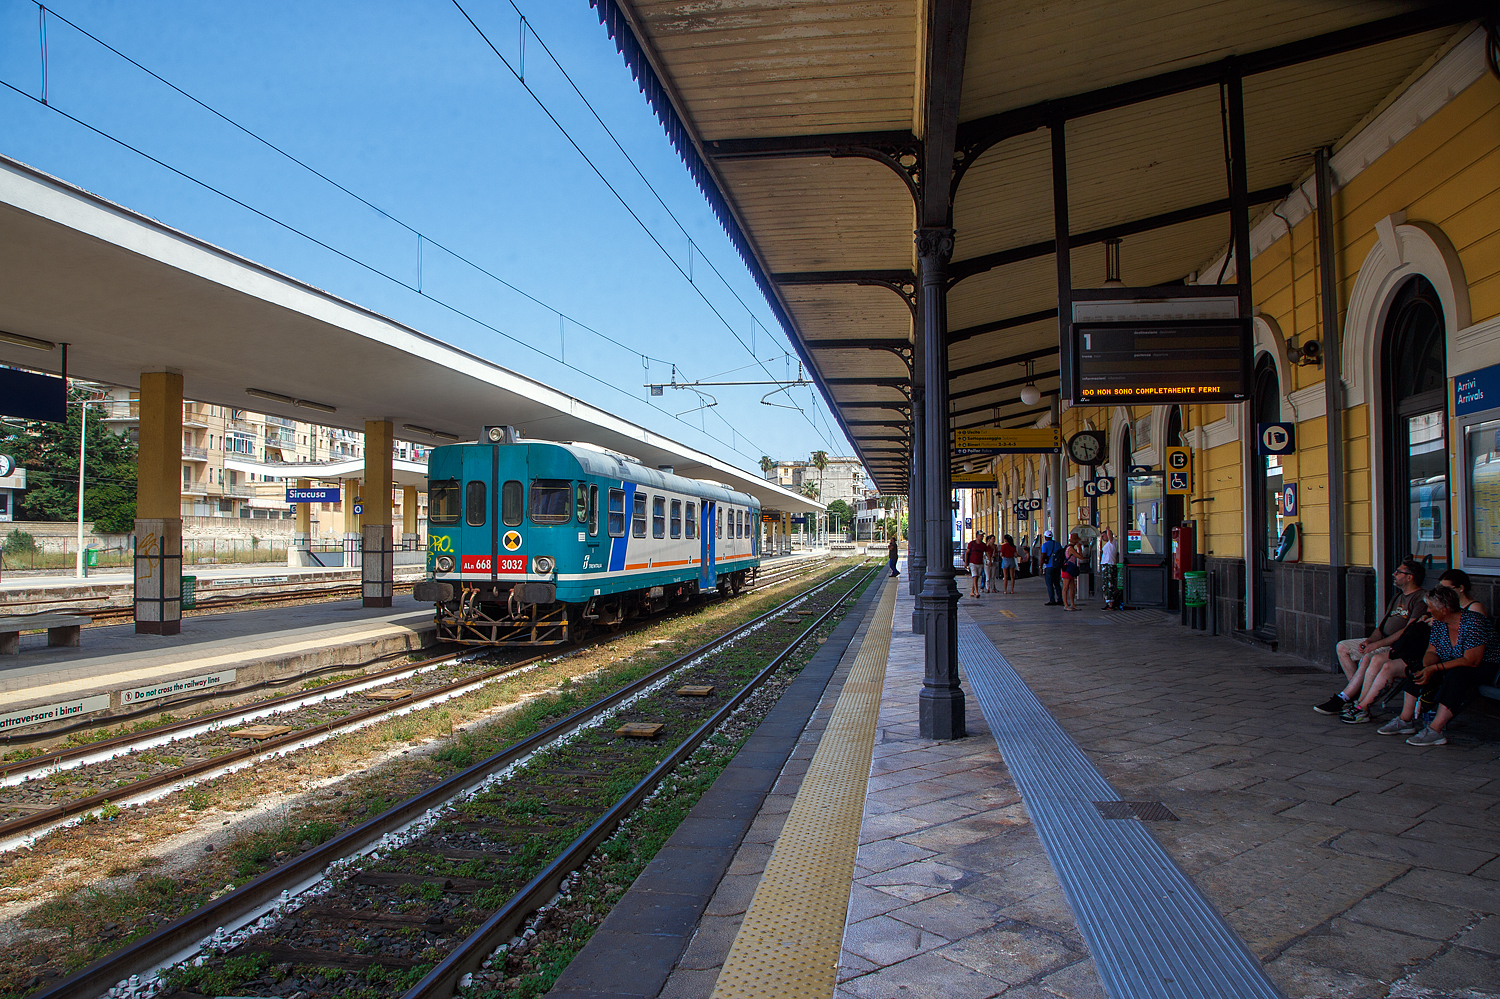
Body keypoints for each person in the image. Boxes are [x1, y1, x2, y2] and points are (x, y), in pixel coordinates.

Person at [1380, 585, 1500, 746]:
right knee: (1418, 669)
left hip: (1483, 666)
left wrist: (1434, 668)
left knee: (1457, 676)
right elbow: (1431, 651)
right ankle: (1405, 720)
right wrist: (1426, 667)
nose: (1428, 611)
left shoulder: (1473, 622)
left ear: (1444, 609)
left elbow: (1472, 660)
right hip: (1451, 662)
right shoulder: (1439, 623)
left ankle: (1435, 730)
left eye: (1430, 607)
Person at [1316, 559, 1426, 713]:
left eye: (1399, 572)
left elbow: (1409, 630)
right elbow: (1382, 626)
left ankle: (1347, 698)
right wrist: (1370, 640)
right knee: (1342, 647)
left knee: (1368, 657)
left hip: (1398, 645)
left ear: (1410, 577)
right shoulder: (1398, 597)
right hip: (1382, 640)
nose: (1394, 574)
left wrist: (1377, 645)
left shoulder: (1420, 598)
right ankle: (1356, 693)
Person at [1061, 532, 1084, 610]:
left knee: (1072, 587)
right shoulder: (1071, 548)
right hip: (1067, 569)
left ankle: (1072, 604)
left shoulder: (1069, 547)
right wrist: (1079, 548)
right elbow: (1080, 557)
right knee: (1066, 587)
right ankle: (1066, 605)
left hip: (1070, 568)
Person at [1040, 530, 1062, 606]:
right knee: (1057, 583)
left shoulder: (1045, 545)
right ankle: (1060, 599)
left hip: (1049, 566)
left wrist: (1040, 566)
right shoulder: (1058, 544)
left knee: (1049, 584)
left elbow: (1043, 556)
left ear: (1045, 537)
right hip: (1057, 566)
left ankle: (1052, 600)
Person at [1098, 529, 1119, 609]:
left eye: (1104, 536)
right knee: (1105, 584)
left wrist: (1107, 529)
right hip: (1105, 565)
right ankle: (1108, 601)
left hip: (1109, 564)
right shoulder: (1107, 544)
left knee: (1109, 584)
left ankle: (1111, 603)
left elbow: (1110, 535)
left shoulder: (1112, 542)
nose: (1102, 537)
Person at [965, 533, 986, 598]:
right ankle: (977, 592)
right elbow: (967, 553)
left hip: (980, 563)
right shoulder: (972, 543)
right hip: (972, 563)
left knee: (976, 578)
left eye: (982, 536)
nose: (982, 537)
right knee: (975, 577)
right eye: (981, 536)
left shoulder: (983, 545)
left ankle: (972, 591)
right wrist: (966, 562)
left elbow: (987, 552)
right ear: (977, 536)